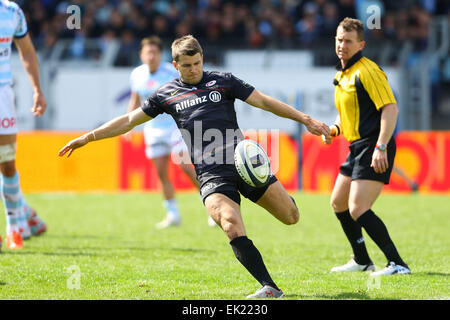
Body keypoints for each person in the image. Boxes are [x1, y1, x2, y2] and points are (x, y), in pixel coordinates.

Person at [59, 35, 331, 298]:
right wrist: (88, 137)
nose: (193, 70)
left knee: (291, 216)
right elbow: (129, 120)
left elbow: (263, 101)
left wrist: (305, 119)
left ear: (202, 59)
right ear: (175, 66)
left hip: (241, 162)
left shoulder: (223, 81)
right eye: (186, 66)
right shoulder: (166, 94)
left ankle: (279, 195)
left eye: (197, 63)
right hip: (210, 174)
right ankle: (269, 286)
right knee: (229, 222)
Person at [323, 18, 410, 276]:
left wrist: (381, 146)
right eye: (339, 40)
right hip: (357, 146)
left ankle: (397, 263)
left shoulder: (368, 70)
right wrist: (334, 130)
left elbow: (391, 108)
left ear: (361, 44)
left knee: (358, 208)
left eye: (348, 41)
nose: (342, 45)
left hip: (374, 144)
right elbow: (345, 115)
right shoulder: (341, 74)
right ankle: (362, 260)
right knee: (338, 203)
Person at [126, 36, 214, 229]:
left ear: (160, 54)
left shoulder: (170, 71)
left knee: (186, 167)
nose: (151, 56)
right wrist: (129, 124)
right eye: (147, 52)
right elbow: (135, 100)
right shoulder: (137, 74)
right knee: (161, 173)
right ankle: (172, 214)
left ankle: (212, 207)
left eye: (154, 53)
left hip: (176, 127)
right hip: (153, 129)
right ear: (141, 55)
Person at [0, 0, 47, 251]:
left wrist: (38, 89)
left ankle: (15, 228)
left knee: (7, 162)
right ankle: (25, 218)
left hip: (2, 94)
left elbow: (27, 50)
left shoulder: (11, 11)